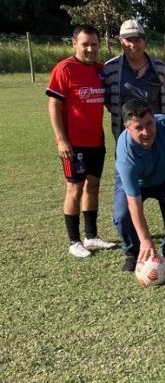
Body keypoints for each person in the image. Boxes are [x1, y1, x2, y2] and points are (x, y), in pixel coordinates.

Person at [47, 24, 115, 258]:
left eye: (94, 44)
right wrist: (61, 139)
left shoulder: (99, 69)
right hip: (73, 144)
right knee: (74, 188)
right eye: (85, 44)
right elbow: (54, 106)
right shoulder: (64, 69)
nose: (90, 49)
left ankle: (91, 236)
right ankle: (74, 241)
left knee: (93, 186)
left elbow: (105, 101)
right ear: (74, 43)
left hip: (96, 141)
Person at [113, 100, 165, 272]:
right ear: (127, 128)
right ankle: (134, 253)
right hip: (137, 184)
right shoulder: (126, 154)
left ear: (154, 119)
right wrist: (146, 240)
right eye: (138, 128)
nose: (146, 132)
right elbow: (134, 203)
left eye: (149, 123)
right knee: (122, 215)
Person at [103, 19, 165, 142]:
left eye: (137, 40)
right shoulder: (110, 69)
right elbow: (108, 102)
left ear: (144, 40)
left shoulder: (160, 67)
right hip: (125, 139)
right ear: (121, 41)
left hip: (157, 136)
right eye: (128, 40)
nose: (133, 45)